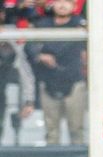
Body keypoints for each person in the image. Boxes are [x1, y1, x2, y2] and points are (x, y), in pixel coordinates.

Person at [26, 0, 86, 145]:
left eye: (67, 1)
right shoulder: (42, 24)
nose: (62, 5)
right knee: (51, 130)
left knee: (76, 128)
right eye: (58, 1)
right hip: (48, 80)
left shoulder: (81, 24)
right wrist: (40, 56)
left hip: (74, 80)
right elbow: (29, 46)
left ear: (74, 5)